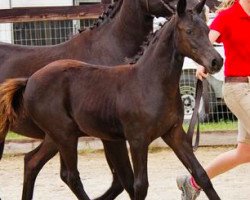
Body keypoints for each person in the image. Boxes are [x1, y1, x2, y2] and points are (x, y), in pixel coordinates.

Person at [176, 0, 250, 199]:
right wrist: (202, 65)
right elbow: (203, 43)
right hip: (238, 89)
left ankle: (193, 182)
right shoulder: (227, 17)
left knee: (244, 153)